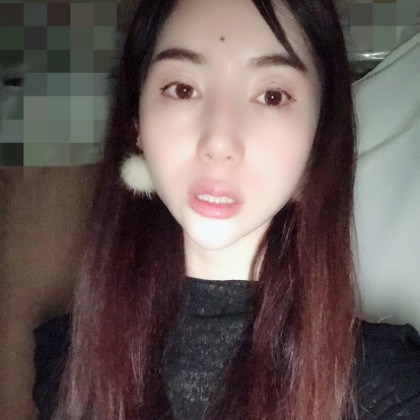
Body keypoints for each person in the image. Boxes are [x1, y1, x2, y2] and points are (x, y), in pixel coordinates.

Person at [32, 0, 420, 419]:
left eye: (271, 96)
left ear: (318, 140)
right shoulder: (65, 360)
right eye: (182, 89)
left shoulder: (388, 389)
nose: (218, 141)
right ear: (137, 123)